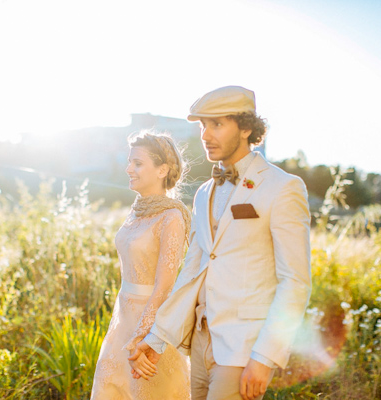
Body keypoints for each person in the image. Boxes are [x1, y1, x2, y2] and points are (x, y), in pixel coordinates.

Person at [129, 86, 312, 400]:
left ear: (245, 128)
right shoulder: (203, 193)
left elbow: (295, 281)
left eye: (216, 124)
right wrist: (158, 337)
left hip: (243, 349)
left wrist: (264, 357)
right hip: (199, 343)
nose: (205, 135)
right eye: (202, 126)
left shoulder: (283, 188)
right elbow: (192, 272)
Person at [91, 131, 191, 399]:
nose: (128, 169)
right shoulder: (137, 210)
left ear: (162, 170)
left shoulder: (171, 217)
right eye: (129, 162)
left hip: (153, 322)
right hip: (122, 317)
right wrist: (126, 330)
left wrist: (141, 335)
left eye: (137, 163)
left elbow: (165, 284)